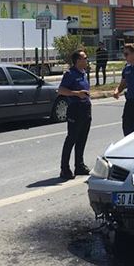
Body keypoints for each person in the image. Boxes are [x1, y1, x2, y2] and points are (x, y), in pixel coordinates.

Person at [57, 50, 92, 180]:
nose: (87, 60)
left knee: (82, 138)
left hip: (86, 108)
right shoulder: (70, 74)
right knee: (71, 139)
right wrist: (77, 93)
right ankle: (64, 168)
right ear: (78, 60)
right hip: (75, 108)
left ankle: (79, 165)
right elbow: (61, 90)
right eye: (85, 58)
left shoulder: (84, 73)